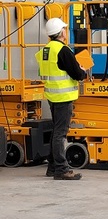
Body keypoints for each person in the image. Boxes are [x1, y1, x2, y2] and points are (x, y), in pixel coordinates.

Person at [35, 17, 86, 180]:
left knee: (56, 131)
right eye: (64, 29)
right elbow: (77, 74)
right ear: (61, 32)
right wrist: (82, 71)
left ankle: (52, 167)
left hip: (52, 95)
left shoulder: (45, 50)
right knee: (60, 133)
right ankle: (61, 169)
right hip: (63, 97)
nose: (66, 31)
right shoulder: (63, 50)